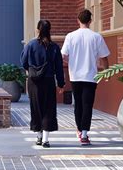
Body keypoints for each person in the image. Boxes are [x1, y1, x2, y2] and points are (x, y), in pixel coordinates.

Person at [61, 9, 110, 145]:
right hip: (91, 76)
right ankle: (84, 134)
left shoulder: (70, 36)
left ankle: (78, 128)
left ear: (78, 20)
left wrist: (70, 62)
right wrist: (107, 73)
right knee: (88, 104)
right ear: (90, 21)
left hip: (75, 76)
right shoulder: (96, 37)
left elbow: (63, 55)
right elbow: (104, 57)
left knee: (78, 104)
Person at [21, 19, 65, 148]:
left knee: (36, 108)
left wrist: (31, 69)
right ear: (49, 30)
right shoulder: (54, 47)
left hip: (33, 82)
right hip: (49, 81)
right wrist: (61, 84)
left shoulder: (30, 45)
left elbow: (23, 62)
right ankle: (46, 139)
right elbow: (59, 67)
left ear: (37, 30)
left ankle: (39, 137)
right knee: (48, 109)